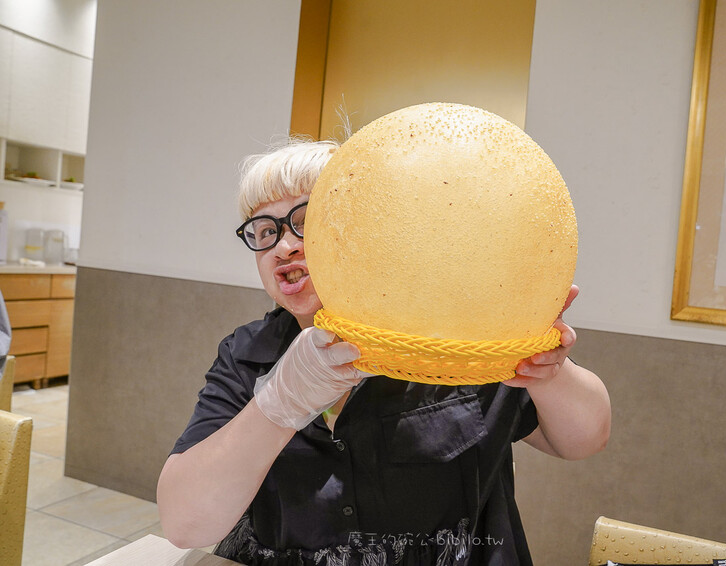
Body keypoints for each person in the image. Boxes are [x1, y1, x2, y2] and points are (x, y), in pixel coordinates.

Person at [157, 138, 611, 565]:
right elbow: (185, 523)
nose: (284, 246)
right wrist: (280, 402)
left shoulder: (454, 335)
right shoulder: (245, 353)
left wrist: (548, 371)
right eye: (264, 230)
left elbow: (582, 440)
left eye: (307, 221)